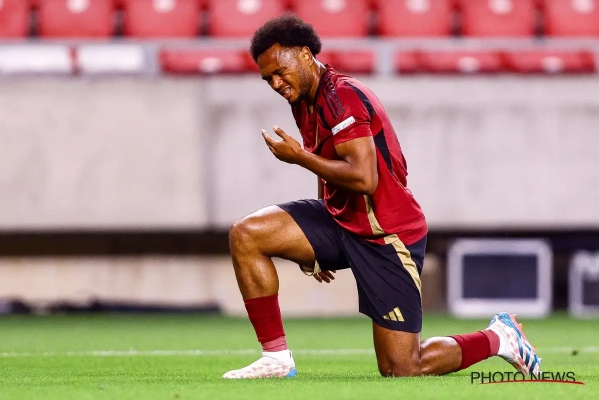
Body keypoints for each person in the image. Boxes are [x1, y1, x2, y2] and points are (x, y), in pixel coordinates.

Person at [222, 13, 541, 379]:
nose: (276, 83)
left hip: (387, 234)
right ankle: (276, 358)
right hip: (342, 221)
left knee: (402, 367)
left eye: (280, 72)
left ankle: (499, 337)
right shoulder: (304, 100)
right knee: (246, 234)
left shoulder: (342, 96)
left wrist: (300, 157)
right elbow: (327, 162)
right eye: (268, 79)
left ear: (306, 55)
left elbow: (363, 178)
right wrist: (314, 243)